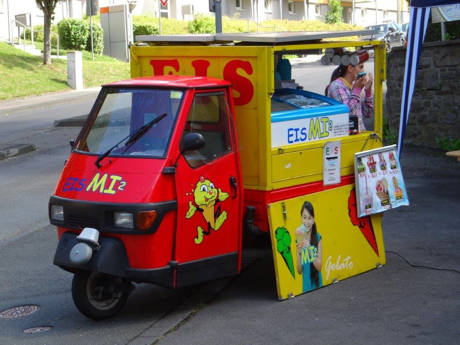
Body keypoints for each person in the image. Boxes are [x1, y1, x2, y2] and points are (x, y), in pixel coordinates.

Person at [325, 55, 374, 132]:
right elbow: (348, 115)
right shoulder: (336, 86)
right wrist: (357, 90)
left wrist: (368, 91)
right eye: (361, 67)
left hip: (360, 134)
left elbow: (368, 113)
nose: (364, 71)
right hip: (348, 138)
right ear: (350, 68)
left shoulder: (353, 86)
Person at [295, 201, 322, 292]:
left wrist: (309, 249)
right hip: (305, 288)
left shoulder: (318, 238)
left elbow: (319, 267)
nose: (307, 221)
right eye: (304, 217)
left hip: (318, 286)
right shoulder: (299, 238)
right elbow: (299, 271)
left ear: (313, 220)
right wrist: (299, 252)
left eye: (309, 218)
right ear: (301, 219)